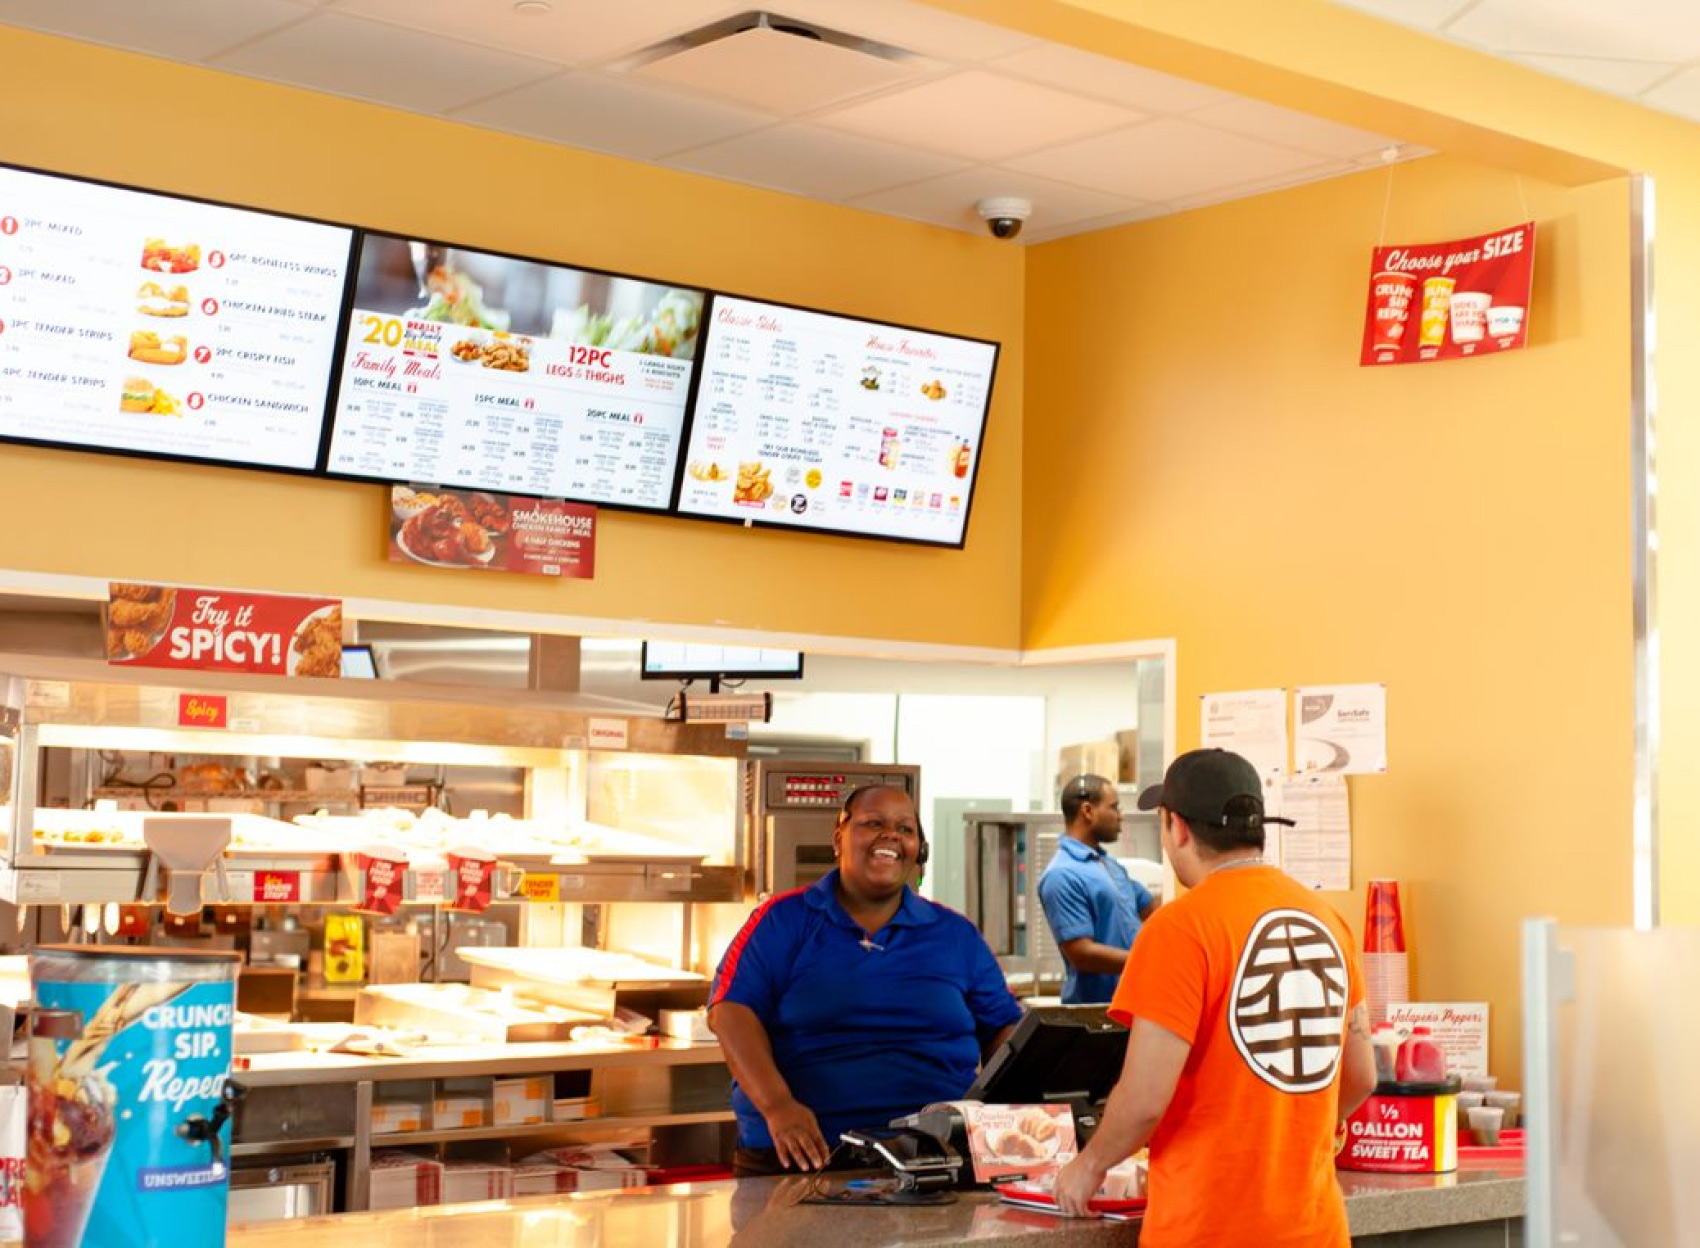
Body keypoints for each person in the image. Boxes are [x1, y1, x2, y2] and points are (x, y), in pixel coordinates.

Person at [1053, 748, 1377, 1244]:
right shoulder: (1326, 919)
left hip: (1209, 1229)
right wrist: (1287, 1135)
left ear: (1176, 827)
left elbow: (1143, 1099)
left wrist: (1088, 1165)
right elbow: (1361, 1077)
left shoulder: (1179, 928)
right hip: (1315, 1230)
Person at [709, 783, 1023, 1174]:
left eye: (906, 829)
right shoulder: (782, 920)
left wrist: (1005, 1113)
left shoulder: (955, 934)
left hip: (935, 1157)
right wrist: (778, 1106)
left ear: (918, 850)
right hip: (805, 1157)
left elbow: (1004, 1027)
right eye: (873, 823)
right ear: (839, 836)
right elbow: (731, 1011)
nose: (890, 835)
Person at [1037, 773, 1159, 1003]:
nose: (1120, 816)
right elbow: (1082, 954)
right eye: (1114, 808)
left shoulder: (1108, 865)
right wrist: (1147, 962)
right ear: (1087, 811)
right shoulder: (1061, 874)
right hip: (1097, 1016)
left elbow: (1150, 908)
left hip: (1131, 1003)